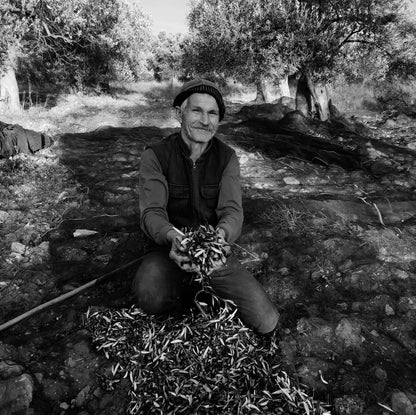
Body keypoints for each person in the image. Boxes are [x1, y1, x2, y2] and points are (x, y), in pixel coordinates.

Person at [133, 79, 279, 335]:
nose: (205, 120)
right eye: (196, 110)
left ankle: (204, 285)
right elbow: (152, 213)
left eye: (212, 113)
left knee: (266, 322)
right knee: (149, 298)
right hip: (169, 248)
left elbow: (232, 211)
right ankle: (184, 286)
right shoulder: (155, 156)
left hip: (213, 251)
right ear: (180, 114)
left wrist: (221, 237)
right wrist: (174, 239)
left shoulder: (227, 158)